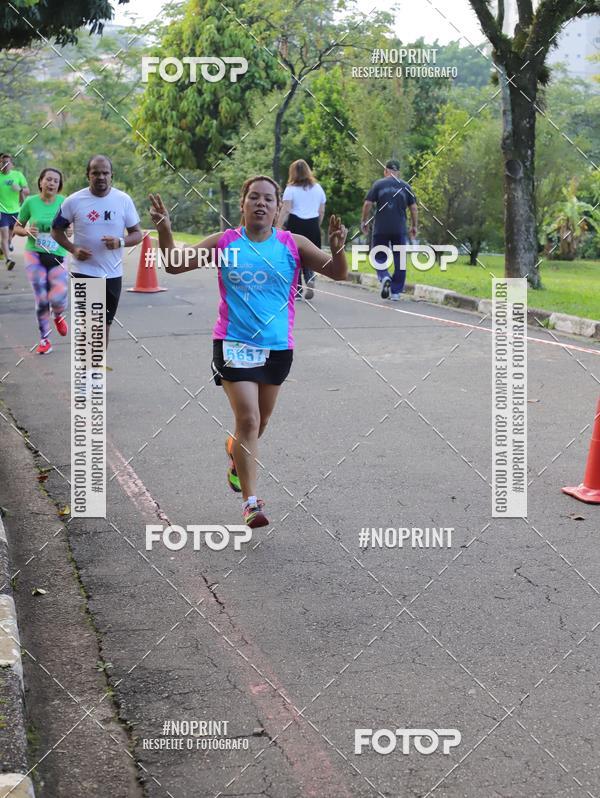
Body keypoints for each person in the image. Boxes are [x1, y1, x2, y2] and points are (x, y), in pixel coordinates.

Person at [149, 176, 348, 528]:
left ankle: (234, 453)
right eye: (253, 197)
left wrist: (338, 248)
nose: (261, 203)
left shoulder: (293, 243)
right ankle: (251, 504)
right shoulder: (226, 242)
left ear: (277, 208)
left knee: (260, 423)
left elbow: (338, 273)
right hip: (233, 343)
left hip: (277, 347)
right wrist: (165, 229)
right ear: (242, 204)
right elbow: (175, 264)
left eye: (268, 199)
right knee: (250, 420)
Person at [51, 154, 143, 348]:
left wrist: (120, 241)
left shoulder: (123, 200)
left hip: (112, 274)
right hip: (84, 272)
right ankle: (86, 374)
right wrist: (73, 248)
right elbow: (56, 230)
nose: (100, 177)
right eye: (95, 173)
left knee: (104, 326)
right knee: (87, 326)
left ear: (112, 175)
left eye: (105, 173)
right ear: (88, 175)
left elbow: (137, 234)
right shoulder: (73, 201)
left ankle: (96, 372)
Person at [14, 168, 69, 354]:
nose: (51, 183)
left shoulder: (64, 202)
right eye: (48, 180)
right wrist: (27, 231)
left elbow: (72, 225)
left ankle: (59, 315)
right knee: (41, 298)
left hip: (57, 254)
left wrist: (70, 231)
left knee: (58, 297)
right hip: (34, 254)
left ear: (59, 185)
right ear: (40, 182)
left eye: (55, 181)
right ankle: (44, 338)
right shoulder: (30, 202)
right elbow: (17, 228)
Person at [360, 159, 418, 301]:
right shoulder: (406, 186)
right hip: (399, 228)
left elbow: (368, 203)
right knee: (400, 259)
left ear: (385, 171)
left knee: (379, 256)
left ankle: (384, 276)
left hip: (381, 228)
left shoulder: (378, 185)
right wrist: (414, 225)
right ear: (398, 172)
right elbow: (414, 208)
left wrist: (364, 221)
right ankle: (396, 292)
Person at [277, 159, 326, 301]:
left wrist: (278, 227)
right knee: (310, 255)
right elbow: (321, 211)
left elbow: (286, 209)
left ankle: (297, 289)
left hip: (296, 224)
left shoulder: (290, 189)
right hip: (312, 224)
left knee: (293, 257)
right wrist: (317, 224)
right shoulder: (318, 188)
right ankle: (310, 277)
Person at [0, 154, 29, 270]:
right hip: (2, 211)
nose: (5, 165)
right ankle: (8, 260)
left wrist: (20, 189)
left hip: (16, 210)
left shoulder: (18, 175)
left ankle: (5, 246)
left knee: (11, 235)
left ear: (11, 164)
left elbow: (27, 191)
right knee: (4, 235)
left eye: (7, 162)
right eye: (2, 162)